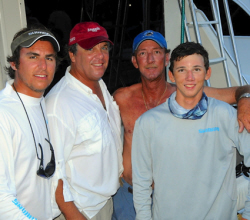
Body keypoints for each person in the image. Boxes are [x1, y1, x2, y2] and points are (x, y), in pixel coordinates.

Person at [112, 30, 250, 220]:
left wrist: (245, 100)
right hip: (133, 196)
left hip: (189, 203)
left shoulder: (199, 95)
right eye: (143, 53)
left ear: (166, 58)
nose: (150, 58)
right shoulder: (122, 99)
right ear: (135, 61)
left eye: (157, 52)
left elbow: (242, 90)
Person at [45, 21, 123, 220]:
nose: (100, 56)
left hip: (104, 202)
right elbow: (52, 175)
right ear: (72, 54)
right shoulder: (59, 104)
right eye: (90, 49)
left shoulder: (99, 84)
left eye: (103, 47)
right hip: (80, 211)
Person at [0, 25, 60, 219]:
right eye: (33, 57)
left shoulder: (42, 103)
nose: (43, 66)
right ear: (14, 63)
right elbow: (2, 197)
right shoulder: (4, 114)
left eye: (49, 58)